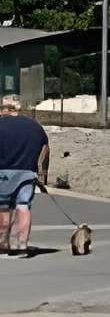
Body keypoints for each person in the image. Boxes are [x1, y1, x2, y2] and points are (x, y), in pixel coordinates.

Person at [0, 94, 49, 258]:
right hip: (28, 173)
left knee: (3, 207)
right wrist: (43, 174)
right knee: (23, 206)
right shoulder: (35, 126)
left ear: (5, 108)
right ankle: (21, 246)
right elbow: (45, 150)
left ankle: (2, 244)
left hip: (3, 173)